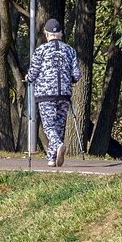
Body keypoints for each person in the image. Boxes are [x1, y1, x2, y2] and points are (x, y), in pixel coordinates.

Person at [25, 18, 80, 167]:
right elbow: (76, 75)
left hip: (45, 94)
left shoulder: (41, 50)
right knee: (59, 126)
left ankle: (57, 145)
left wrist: (28, 78)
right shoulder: (70, 50)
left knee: (49, 126)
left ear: (46, 33)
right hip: (64, 94)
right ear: (61, 33)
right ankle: (52, 158)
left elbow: (33, 74)